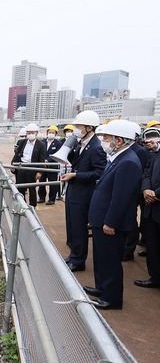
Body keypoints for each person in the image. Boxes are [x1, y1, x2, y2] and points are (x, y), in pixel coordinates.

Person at [82, 120, 142, 309]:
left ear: (120, 140)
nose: (104, 141)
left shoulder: (128, 163)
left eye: (107, 138)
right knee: (101, 257)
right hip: (101, 219)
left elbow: (121, 198)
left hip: (110, 222)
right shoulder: (117, 158)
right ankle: (103, 288)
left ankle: (112, 298)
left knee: (110, 261)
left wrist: (111, 222)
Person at [60, 111, 106, 272]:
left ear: (89, 127)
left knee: (79, 227)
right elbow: (75, 161)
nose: (76, 130)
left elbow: (99, 172)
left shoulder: (96, 147)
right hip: (74, 191)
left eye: (79, 126)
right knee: (71, 225)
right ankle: (73, 254)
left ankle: (79, 260)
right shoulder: (81, 143)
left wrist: (76, 175)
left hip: (84, 193)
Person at [136, 127, 160, 289]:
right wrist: (146, 190)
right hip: (151, 208)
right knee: (153, 245)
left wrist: (155, 194)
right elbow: (146, 173)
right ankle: (155, 277)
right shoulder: (154, 155)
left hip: (156, 201)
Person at [122, 122, 150, 261]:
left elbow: (142, 173)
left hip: (134, 192)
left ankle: (128, 250)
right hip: (127, 190)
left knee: (131, 221)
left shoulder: (140, 151)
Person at [11, 123, 46, 207]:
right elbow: (17, 154)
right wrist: (13, 164)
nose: (30, 135)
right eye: (29, 133)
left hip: (32, 168)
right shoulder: (22, 142)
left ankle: (32, 205)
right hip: (21, 166)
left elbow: (42, 159)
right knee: (20, 187)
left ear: (36, 133)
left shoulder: (41, 145)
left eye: (32, 133)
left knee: (32, 188)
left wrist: (39, 172)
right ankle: (22, 204)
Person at [38, 125, 63, 205]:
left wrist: (47, 161)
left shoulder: (58, 143)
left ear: (55, 134)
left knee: (53, 184)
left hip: (52, 167)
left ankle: (52, 199)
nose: (51, 134)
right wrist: (43, 161)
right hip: (43, 166)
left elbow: (57, 154)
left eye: (53, 133)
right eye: (49, 132)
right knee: (41, 182)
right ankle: (42, 197)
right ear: (47, 133)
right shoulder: (42, 142)